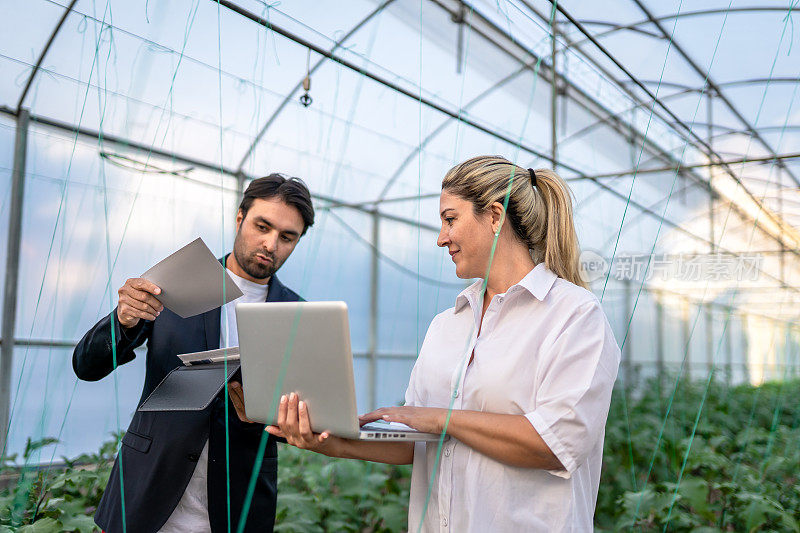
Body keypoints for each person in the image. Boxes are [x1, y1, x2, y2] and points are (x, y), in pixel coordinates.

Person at [267, 156, 621, 531]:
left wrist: (440, 419)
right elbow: (415, 440)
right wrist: (331, 441)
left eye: (450, 219)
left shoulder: (575, 316)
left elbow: (555, 443)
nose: (441, 238)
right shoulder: (446, 325)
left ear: (495, 217)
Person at [73, 174, 315, 533]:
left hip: (238, 506)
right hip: (146, 495)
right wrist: (123, 319)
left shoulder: (298, 313)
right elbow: (87, 366)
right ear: (240, 218)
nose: (270, 243)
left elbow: (297, 418)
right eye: (262, 226)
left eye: (287, 237)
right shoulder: (178, 280)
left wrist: (275, 414)